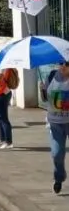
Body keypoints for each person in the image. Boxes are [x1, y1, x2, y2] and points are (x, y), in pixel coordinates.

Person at [44, 62, 69, 194]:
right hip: (55, 123)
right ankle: (59, 177)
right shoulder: (52, 76)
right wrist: (42, 89)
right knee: (57, 153)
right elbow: (45, 99)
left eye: (67, 64)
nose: (63, 66)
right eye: (61, 63)